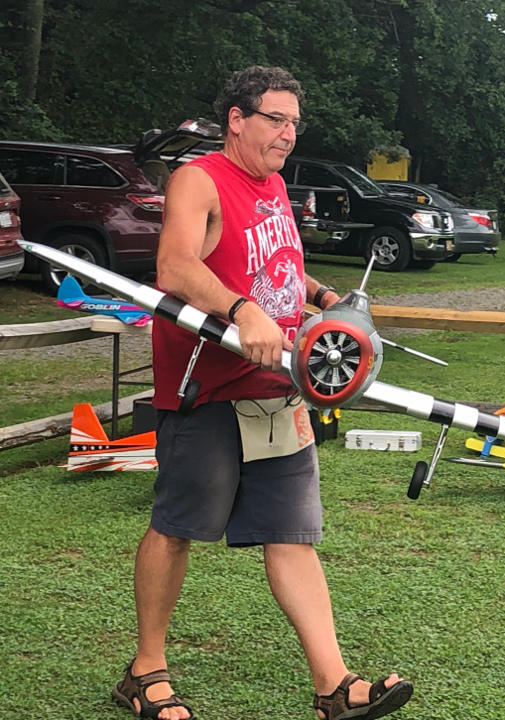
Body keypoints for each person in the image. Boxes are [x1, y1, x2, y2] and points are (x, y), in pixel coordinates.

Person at [111, 66, 413, 720]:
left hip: (278, 386)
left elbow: (281, 268)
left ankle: (333, 686)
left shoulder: (274, 186)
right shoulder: (198, 180)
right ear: (237, 120)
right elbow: (177, 266)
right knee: (178, 526)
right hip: (207, 387)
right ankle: (145, 672)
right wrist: (243, 310)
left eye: (295, 123)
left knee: (292, 533)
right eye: (275, 119)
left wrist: (325, 297)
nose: (287, 134)